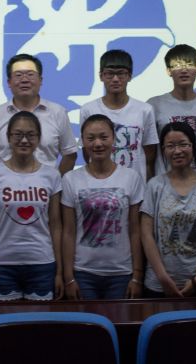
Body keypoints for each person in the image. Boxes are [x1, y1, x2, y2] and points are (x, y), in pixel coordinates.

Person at [0, 111, 63, 301]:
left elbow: (56, 226)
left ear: (39, 138)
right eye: (18, 135)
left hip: (42, 263)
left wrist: (59, 272)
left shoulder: (52, 175)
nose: (24, 140)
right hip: (2, 264)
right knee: (5, 320)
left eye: (30, 135)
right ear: (8, 137)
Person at [62, 114, 144, 300]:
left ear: (114, 139)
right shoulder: (70, 179)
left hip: (122, 273)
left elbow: (135, 230)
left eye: (104, 137)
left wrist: (137, 276)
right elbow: (68, 232)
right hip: (83, 273)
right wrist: (69, 278)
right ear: (82, 141)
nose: (97, 143)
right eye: (91, 138)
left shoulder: (131, 177)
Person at [140, 122, 196, 298]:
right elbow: (146, 235)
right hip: (158, 286)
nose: (177, 151)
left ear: (193, 147)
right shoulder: (154, 185)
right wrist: (163, 278)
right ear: (163, 151)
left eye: (183, 144)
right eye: (170, 146)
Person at [0, 54, 77, 175]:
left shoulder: (58, 112)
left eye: (30, 74)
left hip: (47, 185)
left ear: (40, 80)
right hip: (5, 185)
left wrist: (56, 183)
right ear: (9, 82)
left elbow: (70, 154)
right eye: (18, 75)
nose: (24, 80)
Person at [79, 50, 158, 182]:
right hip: (100, 185)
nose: (115, 79)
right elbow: (87, 152)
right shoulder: (88, 110)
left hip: (135, 186)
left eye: (121, 73)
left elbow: (149, 156)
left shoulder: (145, 110)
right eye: (110, 73)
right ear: (101, 76)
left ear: (130, 76)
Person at [147, 44, 196, 178]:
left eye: (190, 64)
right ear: (168, 71)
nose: (184, 70)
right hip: (164, 183)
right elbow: (150, 151)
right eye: (177, 65)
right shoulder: (154, 105)